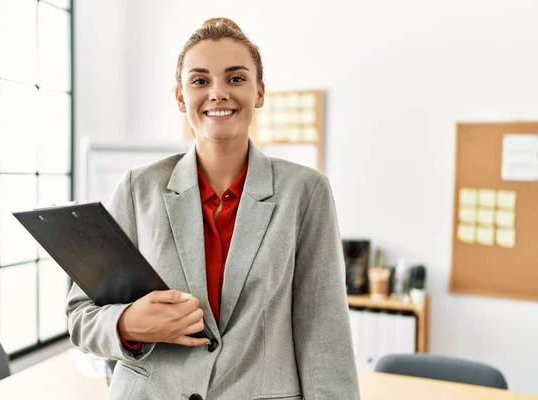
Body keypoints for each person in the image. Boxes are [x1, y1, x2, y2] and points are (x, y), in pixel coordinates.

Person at [66, 17, 360, 400]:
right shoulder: (139, 188)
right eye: (200, 81)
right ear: (180, 96)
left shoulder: (305, 192)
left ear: (259, 92)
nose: (218, 93)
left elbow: (324, 334)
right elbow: (80, 314)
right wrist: (128, 323)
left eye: (235, 78)